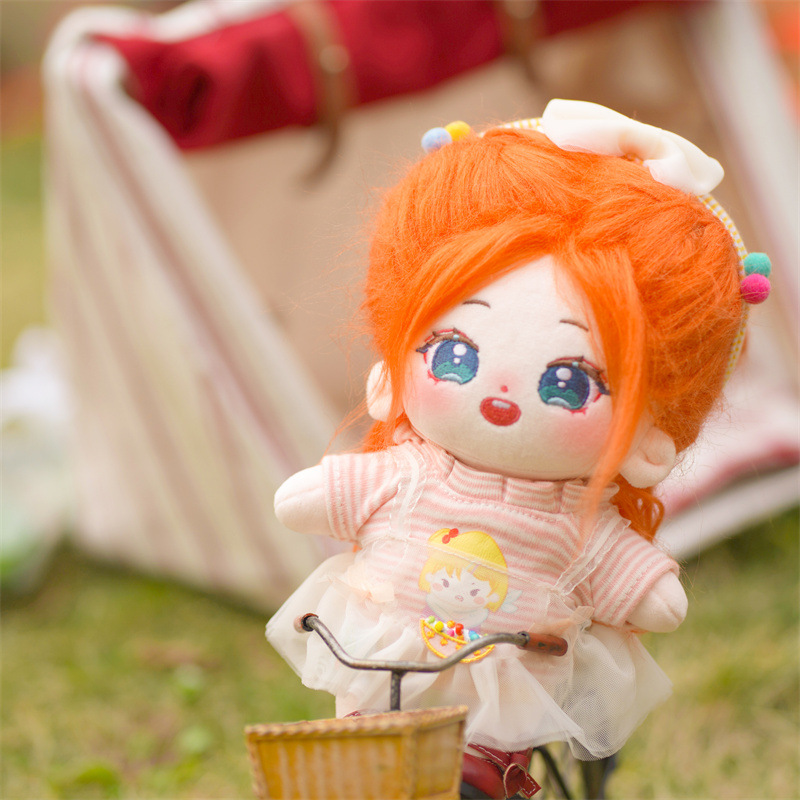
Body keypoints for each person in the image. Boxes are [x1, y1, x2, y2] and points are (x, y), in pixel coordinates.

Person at [266, 100, 771, 799]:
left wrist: (644, 587)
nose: (500, 395)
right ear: (393, 374)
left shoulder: (573, 522)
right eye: (453, 354)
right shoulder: (406, 476)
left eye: (569, 383)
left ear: (647, 442)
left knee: (487, 771)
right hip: (383, 665)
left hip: (505, 691)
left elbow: (637, 584)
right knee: (353, 755)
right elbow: (311, 499)